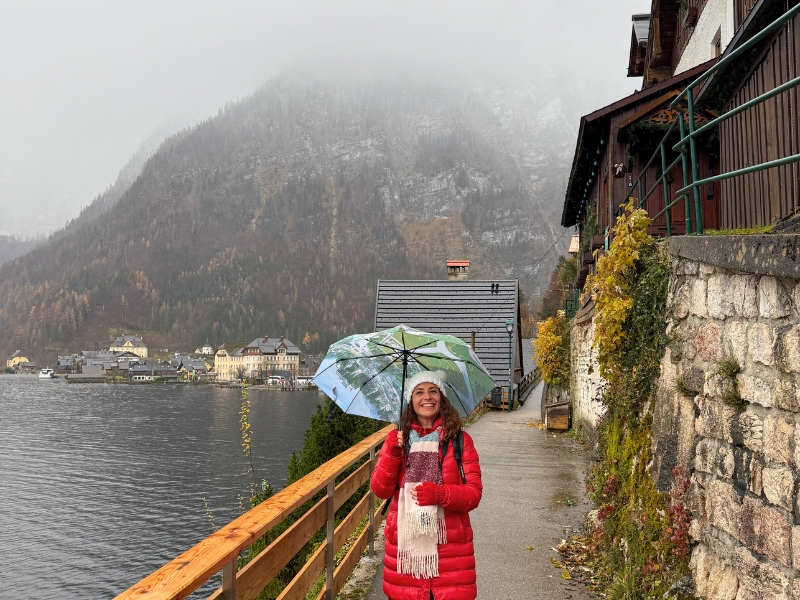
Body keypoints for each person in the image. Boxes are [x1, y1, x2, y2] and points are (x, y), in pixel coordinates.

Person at [370, 370, 483, 600]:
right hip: (406, 557)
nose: (427, 397)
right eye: (419, 392)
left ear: (441, 397)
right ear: (411, 400)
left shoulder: (460, 441)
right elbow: (380, 489)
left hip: (450, 556)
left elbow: (473, 494)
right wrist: (392, 452)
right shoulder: (398, 441)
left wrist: (439, 494)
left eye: (433, 391)